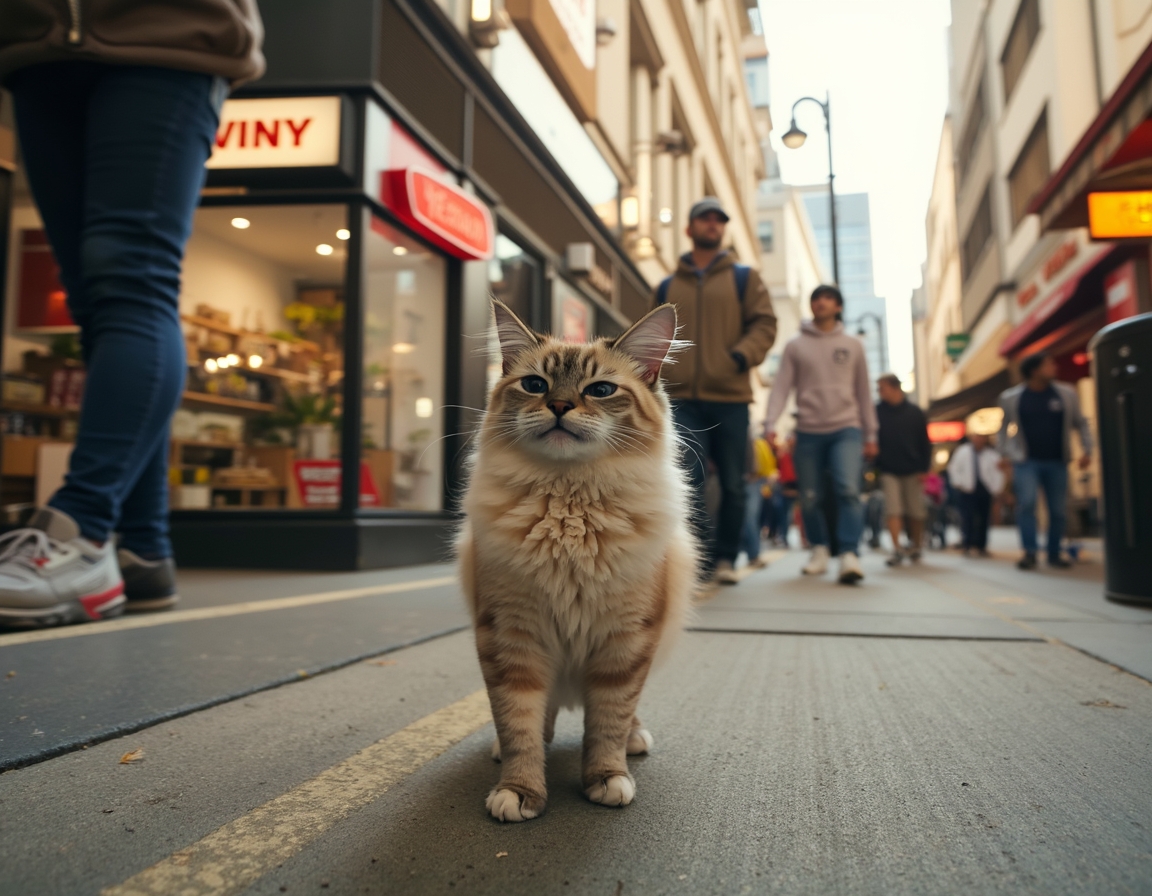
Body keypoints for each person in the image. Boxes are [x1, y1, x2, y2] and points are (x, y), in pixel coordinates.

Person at [0, 2, 265, 627]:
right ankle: (142, 551)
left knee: (131, 278)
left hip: (167, 32)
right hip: (34, 43)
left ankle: (83, 526)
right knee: (94, 303)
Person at [655, 197, 777, 584]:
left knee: (733, 484)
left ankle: (726, 558)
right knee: (687, 479)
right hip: (681, 400)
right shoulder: (667, 285)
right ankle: (696, 562)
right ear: (689, 229)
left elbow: (765, 325)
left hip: (730, 398)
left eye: (718, 219)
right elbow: (653, 334)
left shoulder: (744, 278)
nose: (712, 224)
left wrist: (739, 357)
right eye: (704, 219)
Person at [763, 285, 878, 585]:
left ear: (838, 306)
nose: (820, 302)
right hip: (808, 430)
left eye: (828, 298)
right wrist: (770, 423)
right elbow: (781, 387)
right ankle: (819, 549)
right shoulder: (795, 346)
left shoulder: (853, 345)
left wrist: (871, 434)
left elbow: (864, 392)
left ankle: (849, 553)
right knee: (810, 496)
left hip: (847, 429)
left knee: (848, 489)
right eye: (816, 298)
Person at [997, 352, 1093, 570]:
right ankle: (1030, 552)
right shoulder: (1012, 398)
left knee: (1058, 510)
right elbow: (1003, 429)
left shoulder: (1066, 394)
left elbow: (1081, 423)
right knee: (1027, 504)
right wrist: (1004, 454)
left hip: (1058, 460)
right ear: (1034, 371)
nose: (1054, 368)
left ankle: (1054, 553)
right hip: (1026, 461)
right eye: (1048, 365)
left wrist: (1087, 450)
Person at [875, 373, 932, 566]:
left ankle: (916, 546)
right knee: (893, 509)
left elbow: (925, 442)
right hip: (888, 469)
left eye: (882, 388)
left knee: (916, 511)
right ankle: (897, 548)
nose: (879, 392)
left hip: (913, 469)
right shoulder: (877, 412)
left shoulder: (914, 412)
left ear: (894, 387)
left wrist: (924, 468)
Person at [946, 433, 1004, 556]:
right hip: (967, 489)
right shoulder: (963, 451)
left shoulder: (991, 454)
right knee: (967, 518)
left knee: (984, 518)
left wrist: (996, 488)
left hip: (985, 489)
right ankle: (967, 544)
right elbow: (954, 468)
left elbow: (998, 472)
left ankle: (981, 545)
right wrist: (959, 483)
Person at [740, 431, 776, 570]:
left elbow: (766, 465)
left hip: (753, 481)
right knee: (747, 519)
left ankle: (753, 554)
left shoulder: (759, 443)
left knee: (750, 519)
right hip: (746, 480)